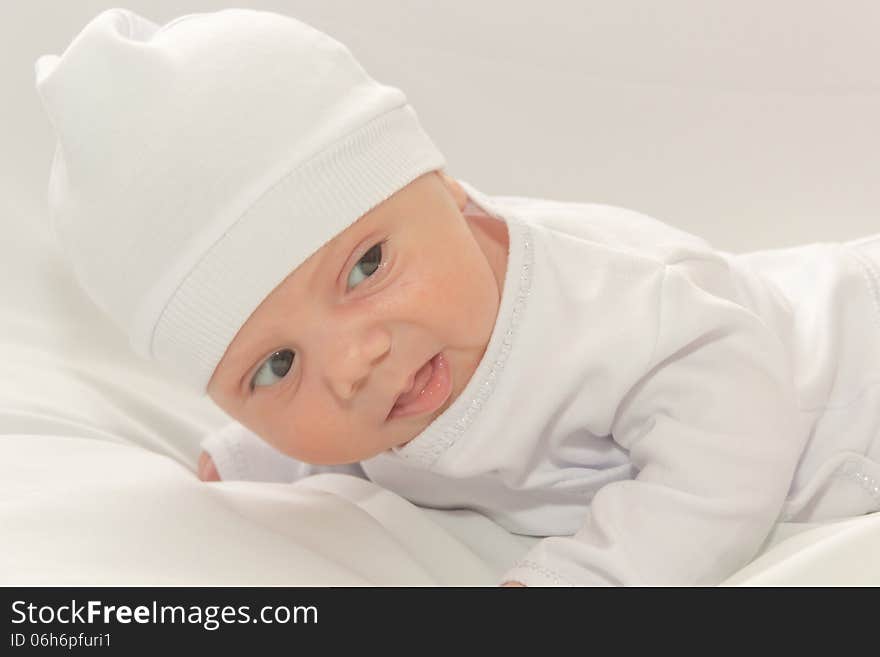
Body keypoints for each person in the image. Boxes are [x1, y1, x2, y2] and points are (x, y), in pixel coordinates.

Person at [35, 7, 880, 587]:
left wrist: (593, 578)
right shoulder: (408, 350)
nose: (355, 360)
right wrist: (255, 456)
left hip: (847, 371)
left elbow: (738, 421)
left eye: (365, 267)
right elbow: (339, 437)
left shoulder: (593, 304)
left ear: (448, 188)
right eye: (275, 365)